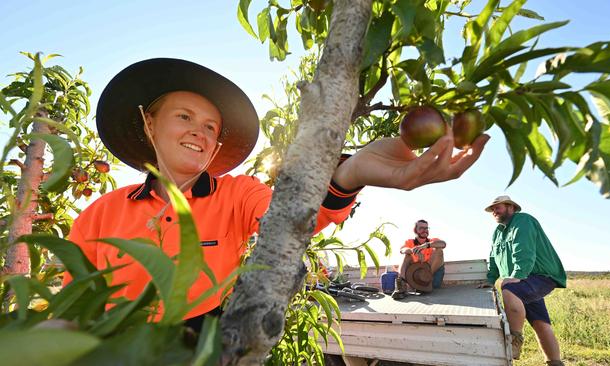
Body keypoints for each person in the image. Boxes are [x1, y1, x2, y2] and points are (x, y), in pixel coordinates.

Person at [63, 58, 489, 332]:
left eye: (212, 127)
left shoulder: (236, 194)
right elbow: (71, 307)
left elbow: (294, 216)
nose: (200, 131)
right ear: (149, 124)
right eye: (184, 116)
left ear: (215, 146)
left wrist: (352, 171)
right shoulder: (100, 215)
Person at [481, 195, 566, 366]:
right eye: (493, 209)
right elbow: (493, 258)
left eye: (498, 207)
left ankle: (514, 341)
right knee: (540, 323)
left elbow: (524, 249)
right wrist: (491, 279)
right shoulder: (498, 232)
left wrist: (517, 276)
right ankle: (555, 363)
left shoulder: (523, 221)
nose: (494, 212)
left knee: (509, 290)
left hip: (539, 276)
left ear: (511, 207)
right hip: (524, 281)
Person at [391, 219, 446, 300]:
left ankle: (426, 280)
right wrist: (413, 251)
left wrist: (424, 246)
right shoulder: (410, 242)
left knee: (439, 251)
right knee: (407, 255)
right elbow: (402, 250)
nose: (425, 230)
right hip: (415, 279)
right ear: (415, 230)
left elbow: (443, 244)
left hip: (431, 280)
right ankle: (401, 287)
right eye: (421, 228)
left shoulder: (432, 241)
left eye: (426, 228)